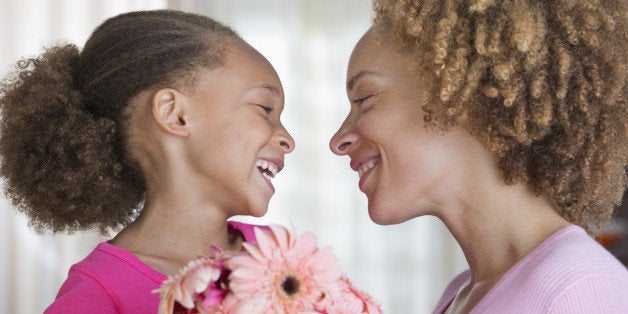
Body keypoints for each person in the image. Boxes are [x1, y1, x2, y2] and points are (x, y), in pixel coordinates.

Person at [330, 0, 627, 313]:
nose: (338, 140)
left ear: (462, 95)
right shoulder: (459, 295)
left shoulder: (579, 291)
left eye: (364, 99)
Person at [0, 9, 294, 313]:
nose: (288, 139)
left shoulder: (283, 257)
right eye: (264, 108)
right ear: (174, 113)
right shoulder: (98, 297)